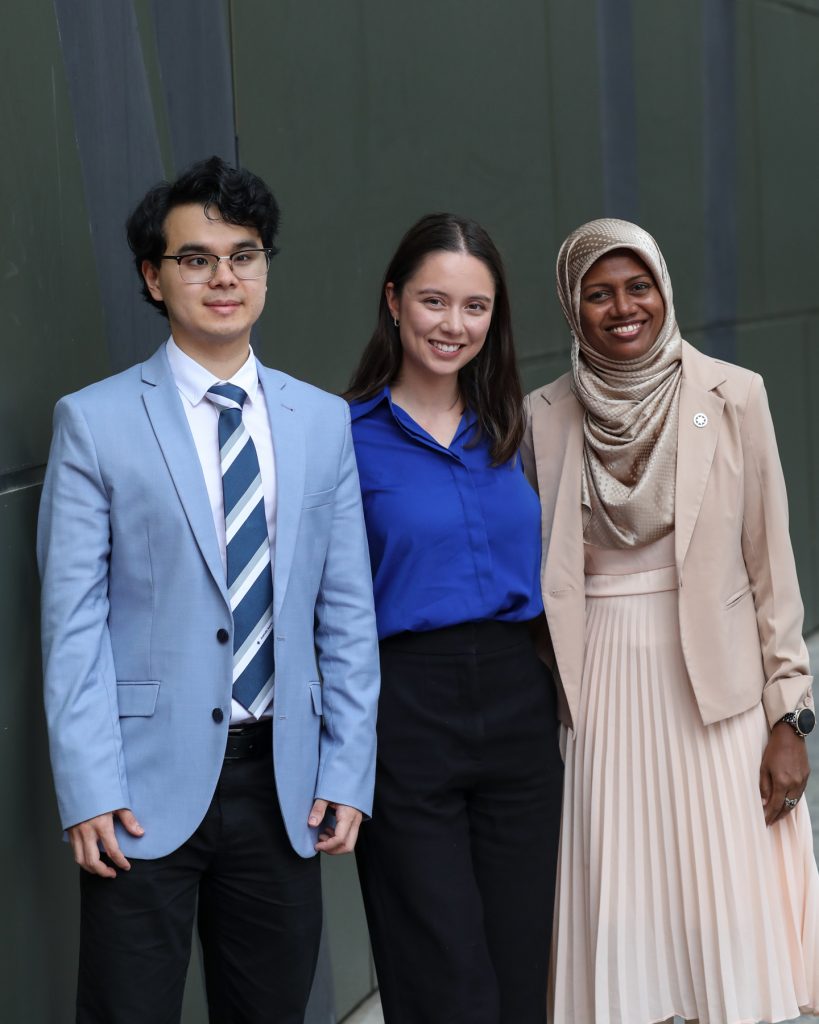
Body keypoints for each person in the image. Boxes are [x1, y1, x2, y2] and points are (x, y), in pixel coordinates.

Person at [37, 155, 380, 1024]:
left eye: (244, 254)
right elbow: (71, 621)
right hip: (139, 793)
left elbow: (345, 612)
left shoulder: (320, 421)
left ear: (265, 267)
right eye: (196, 258)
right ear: (154, 277)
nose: (223, 277)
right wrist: (88, 785)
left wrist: (348, 764)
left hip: (283, 784)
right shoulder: (96, 419)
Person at [522, 217, 819, 1024]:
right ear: (571, 307)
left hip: (715, 696)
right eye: (597, 293)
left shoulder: (733, 395)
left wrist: (788, 718)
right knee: (625, 916)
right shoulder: (540, 417)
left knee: (720, 916)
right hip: (601, 696)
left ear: (663, 288)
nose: (622, 307)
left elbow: (771, 569)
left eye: (637, 285)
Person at [345, 213, 563, 1024]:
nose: (453, 324)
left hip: (516, 702)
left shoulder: (520, 427)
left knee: (519, 966)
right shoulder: (341, 439)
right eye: (434, 301)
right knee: (439, 972)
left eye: (475, 307)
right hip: (406, 708)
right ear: (394, 301)